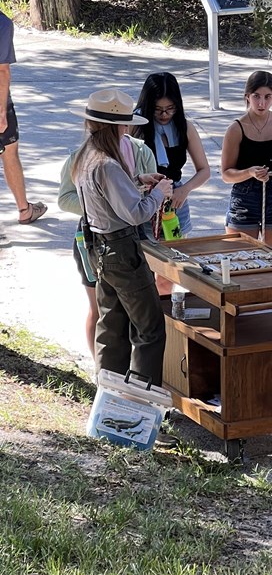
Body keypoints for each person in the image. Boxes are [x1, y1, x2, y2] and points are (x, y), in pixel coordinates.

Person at [70, 89, 173, 386]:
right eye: (125, 124)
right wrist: (158, 193)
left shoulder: (87, 155)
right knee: (149, 329)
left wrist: (138, 181)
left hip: (99, 248)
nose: (127, 129)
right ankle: (141, 404)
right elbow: (135, 213)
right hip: (121, 250)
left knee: (112, 327)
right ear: (116, 127)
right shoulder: (107, 163)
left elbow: (108, 195)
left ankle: (109, 396)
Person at [58, 132, 157, 356]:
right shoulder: (86, 157)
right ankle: (106, 381)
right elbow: (65, 198)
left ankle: (111, 384)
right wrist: (104, 207)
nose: (124, 129)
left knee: (118, 322)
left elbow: (126, 198)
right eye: (120, 122)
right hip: (101, 241)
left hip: (131, 238)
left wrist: (140, 183)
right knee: (122, 322)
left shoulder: (140, 150)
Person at [221, 71, 272, 251]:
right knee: (239, 261)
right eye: (256, 96)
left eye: (267, 97)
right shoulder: (236, 128)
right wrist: (249, 172)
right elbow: (226, 174)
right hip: (244, 198)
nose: (261, 103)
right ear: (247, 96)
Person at [132, 71, 210, 236]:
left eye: (170, 109)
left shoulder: (185, 127)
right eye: (157, 109)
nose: (164, 115)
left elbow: (204, 170)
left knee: (177, 255)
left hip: (174, 201)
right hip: (143, 200)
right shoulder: (135, 124)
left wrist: (185, 189)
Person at [0, 11, 47, 224]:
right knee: (10, 152)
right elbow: (2, 71)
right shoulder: (2, 23)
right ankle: (24, 210)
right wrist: (1, 112)